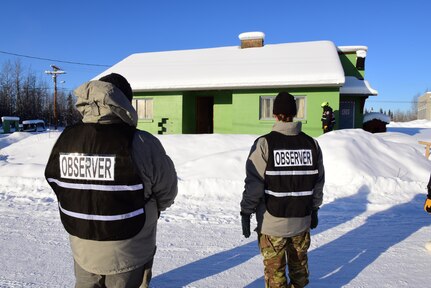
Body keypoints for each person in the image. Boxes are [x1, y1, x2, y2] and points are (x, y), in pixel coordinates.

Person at [45, 73, 178, 288]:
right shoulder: (143, 142)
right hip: (129, 250)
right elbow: (167, 191)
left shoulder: (66, 139)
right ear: (124, 102)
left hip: (83, 247)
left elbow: (58, 185)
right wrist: (152, 209)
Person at [240, 92, 325, 288]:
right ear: (295, 114)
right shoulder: (312, 144)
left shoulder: (264, 144)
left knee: (275, 277)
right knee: (299, 274)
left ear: (275, 114)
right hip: (301, 221)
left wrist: (246, 211)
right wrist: (314, 209)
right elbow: (318, 182)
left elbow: (254, 184)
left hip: (272, 225)